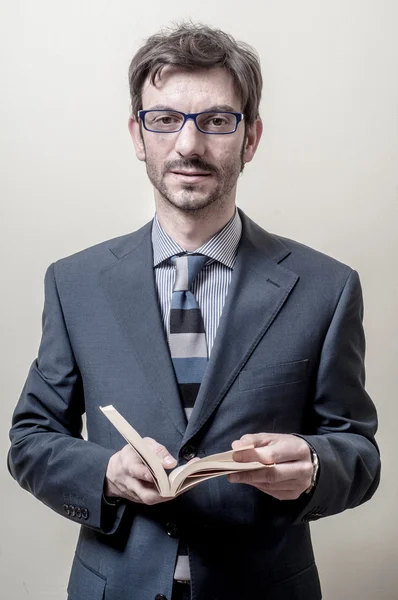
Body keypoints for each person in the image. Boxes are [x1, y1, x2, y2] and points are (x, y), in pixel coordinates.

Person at [8, 23, 380, 600]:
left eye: (216, 121)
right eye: (165, 119)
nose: (188, 145)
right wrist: (105, 474)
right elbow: (30, 438)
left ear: (250, 138)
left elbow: (357, 450)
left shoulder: (326, 288)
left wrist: (312, 463)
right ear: (138, 134)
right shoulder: (74, 283)